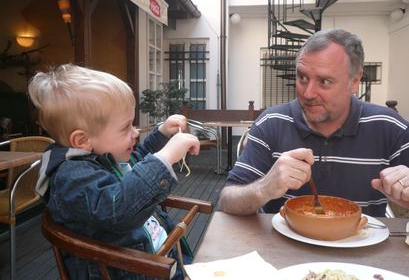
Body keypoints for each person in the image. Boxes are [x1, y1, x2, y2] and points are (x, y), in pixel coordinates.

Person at [28, 64, 200, 279]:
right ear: (82, 140)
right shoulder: (71, 177)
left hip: (159, 259)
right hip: (135, 270)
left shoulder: (101, 156)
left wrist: (162, 134)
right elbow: (118, 209)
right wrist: (165, 158)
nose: (135, 132)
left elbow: (137, 160)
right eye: (126, 127)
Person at [219, 28, 409, 217]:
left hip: (362, 243)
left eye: (324, 81)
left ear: (354, 81)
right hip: (280, 246)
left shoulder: (390, 127)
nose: (308, 93)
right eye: (302, 77)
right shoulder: (272, 123)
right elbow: (228, 200)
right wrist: (265, 187)